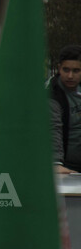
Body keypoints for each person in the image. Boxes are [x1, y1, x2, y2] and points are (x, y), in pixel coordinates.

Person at [48, 45, 81, 174]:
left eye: (76, 71)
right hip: (67, 166)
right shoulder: (53, 95)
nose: (70, 76)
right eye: (66, 70)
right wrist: (56, 162)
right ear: (59, 68)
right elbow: (53, 128)